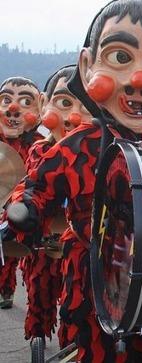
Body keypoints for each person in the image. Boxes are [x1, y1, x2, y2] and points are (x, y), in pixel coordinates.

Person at [6, 0, 142, 361]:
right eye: (121, 58)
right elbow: (34, 189)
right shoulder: (77, 146)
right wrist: (24, 209)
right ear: (87, 65)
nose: (139, 80)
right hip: (92, 284)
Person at [17, 65, 91, 346]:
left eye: (85, 105)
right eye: (64, 103)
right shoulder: (39, 150)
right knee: (41, 290)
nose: (73, 116)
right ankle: (38, 331)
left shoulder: (102, 154)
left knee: (77, 304)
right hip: (44, 239)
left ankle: (73, 345)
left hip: (80, 245)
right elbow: (31, 188)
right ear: (45, 104)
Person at [0, 76, 43, 310]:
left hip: (27, 207)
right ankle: (4, 288)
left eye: (26, 102)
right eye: (5, 100)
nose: (13, 109)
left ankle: (12, 289)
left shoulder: (41, 144)